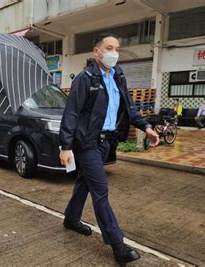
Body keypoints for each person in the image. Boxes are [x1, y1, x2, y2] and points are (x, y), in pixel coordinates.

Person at [58, 33, 160, 264]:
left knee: (86, 182)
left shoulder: (118, 76)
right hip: (87, 143)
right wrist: (65, 146)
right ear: (97, 52)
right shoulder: (86, 79)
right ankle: (117, 243)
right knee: (100, 190)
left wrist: (146, 127)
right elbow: (71, 113)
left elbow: (129, 108)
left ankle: (71, 218)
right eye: (109, 47)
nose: (114, 53)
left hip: (107, 142)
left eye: (117, 48)